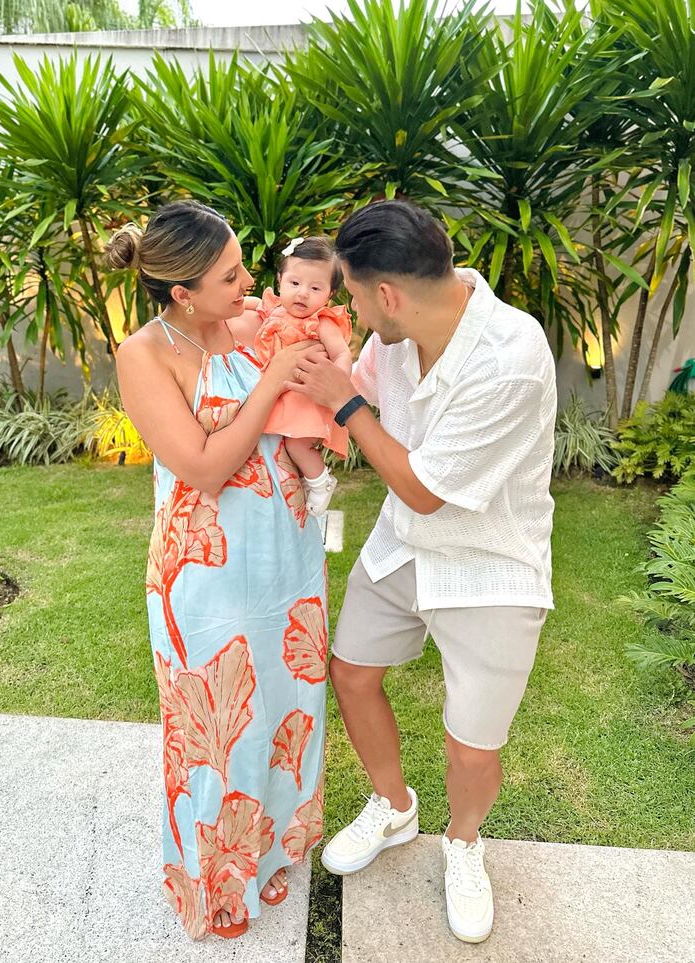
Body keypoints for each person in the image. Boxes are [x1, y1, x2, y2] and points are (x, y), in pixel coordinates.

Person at [287, 199, 556, 945]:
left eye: (353, 295)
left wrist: (341, 405)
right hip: (404, 545)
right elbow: (360, 378)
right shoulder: (400, 329)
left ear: (389, 295)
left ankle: (464, 844)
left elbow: (425, 488)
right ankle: (393, 803)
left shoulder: (510, 357)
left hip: (491, 562)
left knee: (472, 743)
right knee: (351, 671)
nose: (351, 307)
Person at [111, 200, 329, 941]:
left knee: (282, 707)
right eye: (230, 276)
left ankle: (267, 849)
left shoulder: (253, 321)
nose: (248, 285)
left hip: (287, 555)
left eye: (243, 266)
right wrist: (270, 382)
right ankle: (216, 880)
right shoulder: (146, 353)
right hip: (208, 573)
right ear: (181, 293)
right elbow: (202, 467)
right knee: (219, 726)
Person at [239, 235, 353, 516]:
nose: (302, 293)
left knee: (296, 443)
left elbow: (342, 353)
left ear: (330, 294)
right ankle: (303, 481)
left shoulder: (321, 323)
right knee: (279, 444)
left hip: (306, 395)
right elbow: (249, 304)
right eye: (294, 283)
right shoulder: (273, 308)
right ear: (280, 281)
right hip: (282, 392)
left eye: (315, 288)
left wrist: (337, 384)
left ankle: (321, 481)